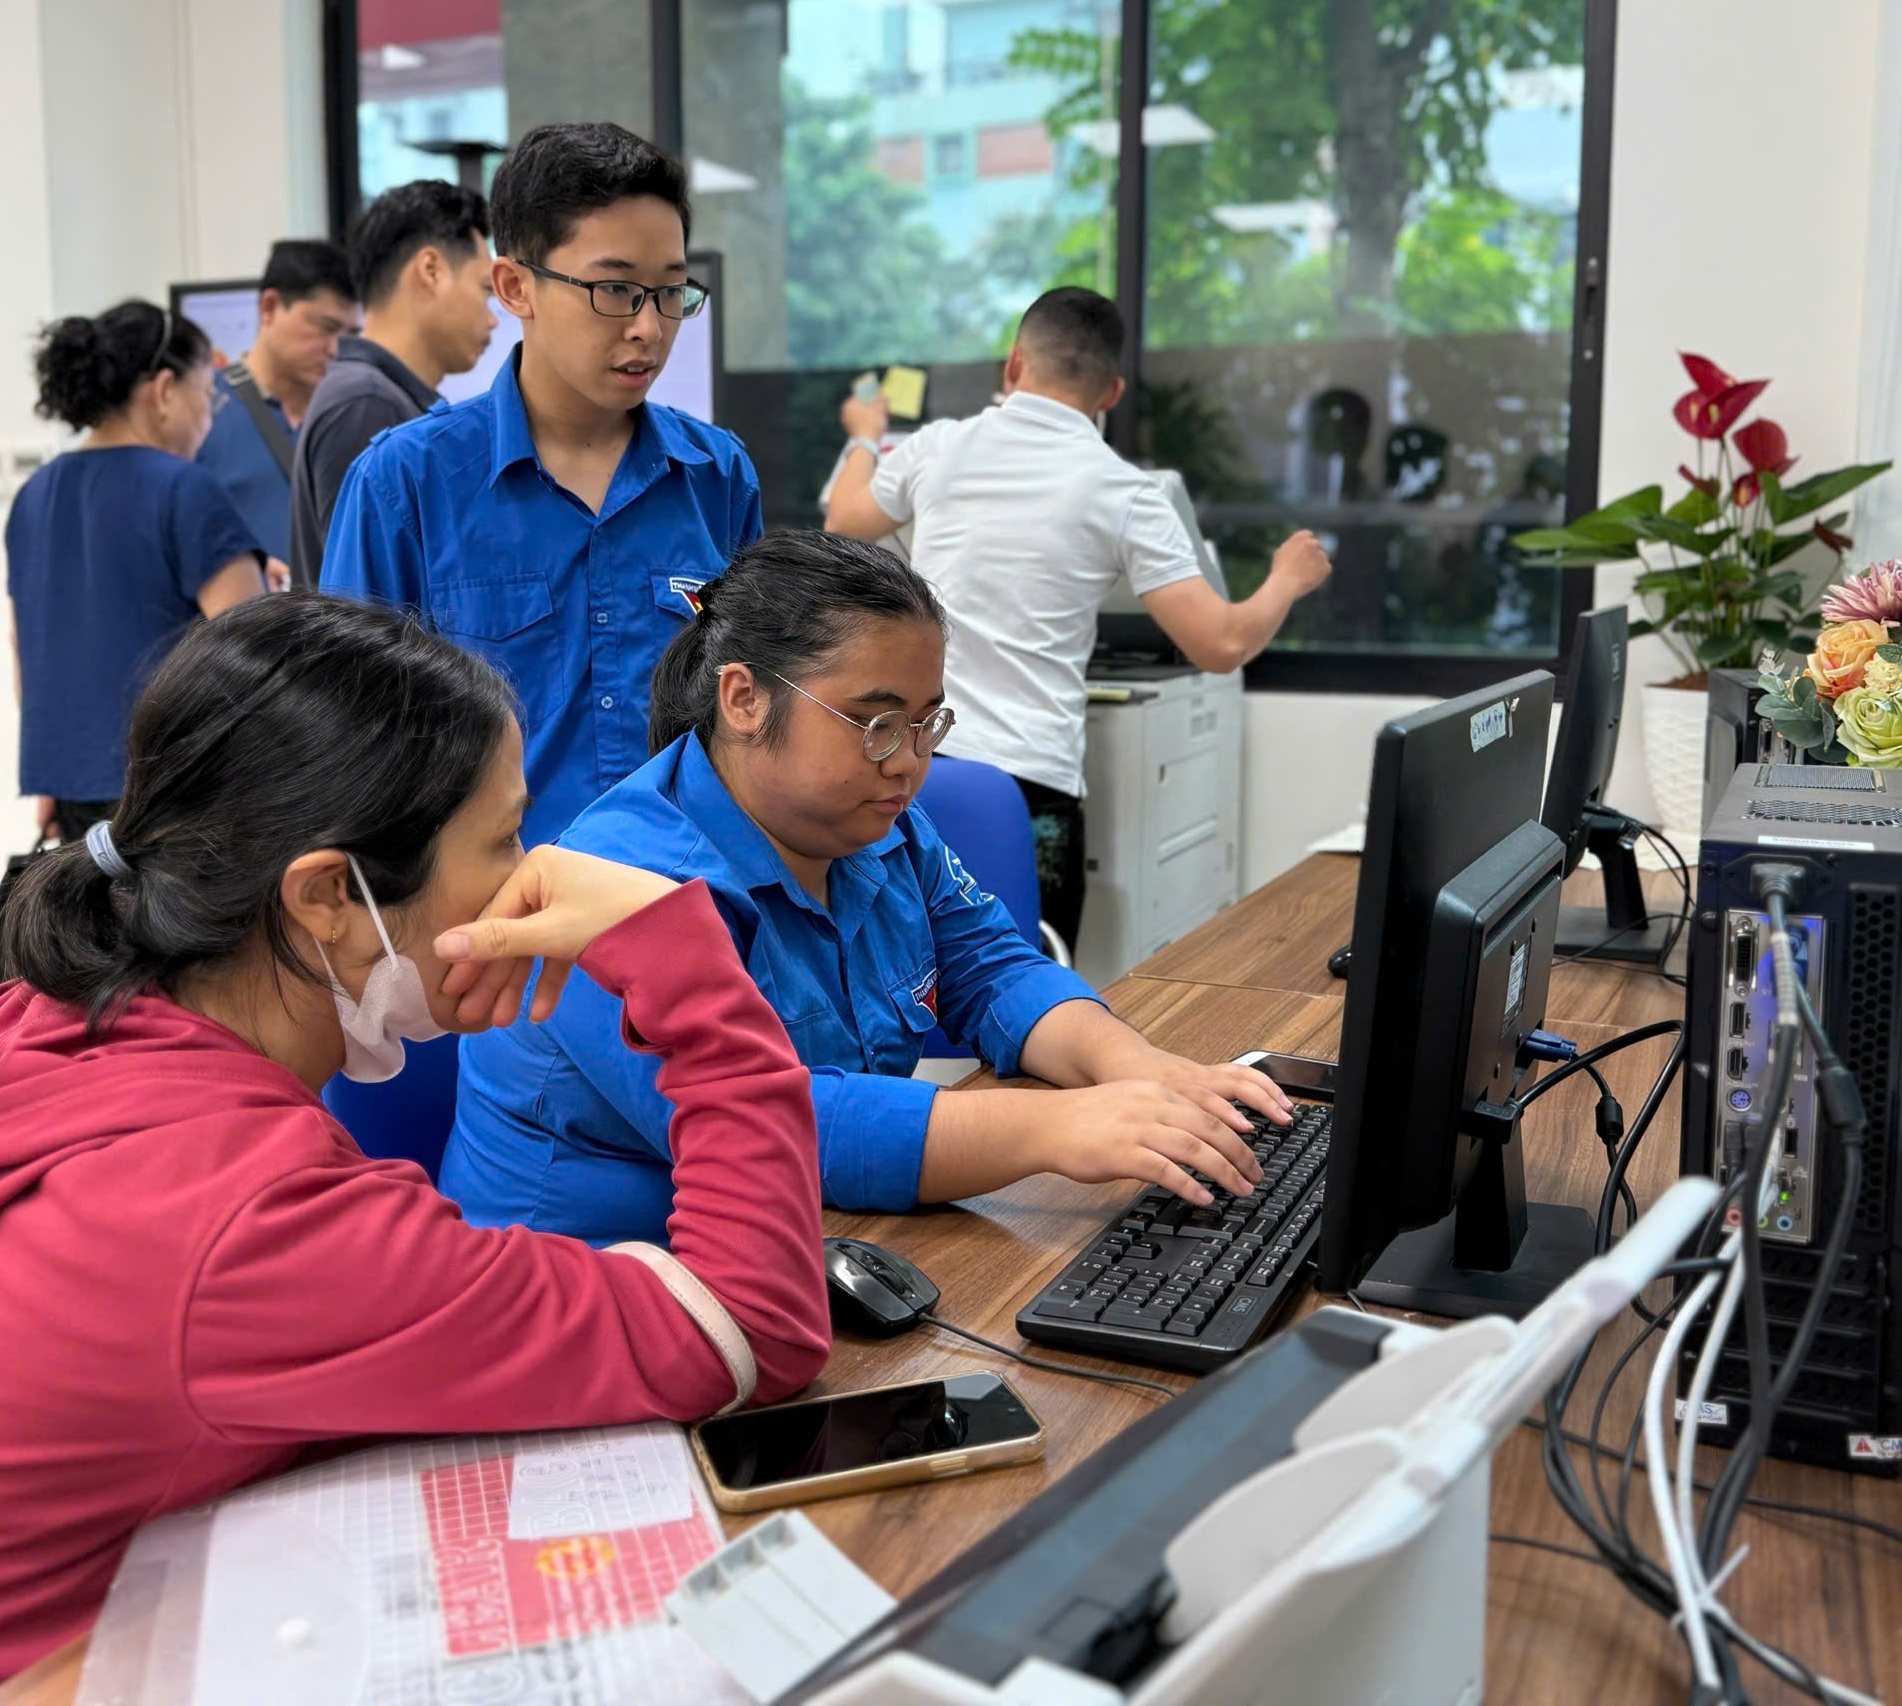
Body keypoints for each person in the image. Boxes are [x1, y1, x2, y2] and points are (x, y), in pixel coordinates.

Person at [0, 594, 831, 1706]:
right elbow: (752, 1327)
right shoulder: (238, 1213)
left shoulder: (60, 1024)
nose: (536, 874)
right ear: (329, 895)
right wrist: (685, 962)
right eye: (503, 839)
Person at [444, 529, 1294, 1248]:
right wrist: (1059, 1127)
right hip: (595, 1282)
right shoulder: (622, 884)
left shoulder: (874, 825)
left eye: (926, 722)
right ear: (744, 698)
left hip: (818, 1242)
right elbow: (778, 1128)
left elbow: (994, 970)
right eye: (877, 723)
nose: (910, 762)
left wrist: (1140, 1072)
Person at [825, 287, 1332, 947]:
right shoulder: (1124, 491)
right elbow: (1222, 643)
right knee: (1023, 982)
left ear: (1014, 364)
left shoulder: (939, 446)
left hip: (921, 774)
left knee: (906, 975)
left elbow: (845, 519)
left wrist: (864, 436)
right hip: (1031, 791)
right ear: (1112, 394)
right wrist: (1287, 578)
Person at [322, 122, 761, 848]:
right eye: (615, 289)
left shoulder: (717, 477)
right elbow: (350, 739)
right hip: (499, 905)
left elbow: (747, 717)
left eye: (670, 291)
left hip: (688, 890)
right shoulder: (406, 484)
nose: (649, 328)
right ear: (515, 286)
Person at [7, 301, 268, 842]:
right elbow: (255, 655)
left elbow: (26, 646)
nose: (209, 417)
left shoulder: (34, 494)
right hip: (174, 795)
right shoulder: (185, 489)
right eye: (208, 394)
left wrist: (56, 781)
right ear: (164, 389)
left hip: (72, 786)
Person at [286, 181, 495, 588]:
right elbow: (361, 603)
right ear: (431, 270)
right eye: (485, 290)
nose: (491, 319)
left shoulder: (371, 394)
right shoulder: (366, 404)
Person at [196, 238, 359, 572]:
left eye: (350, 335)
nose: (335, 349)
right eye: (326, 328)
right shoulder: (205, 411)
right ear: (269, 307)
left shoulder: (352, 417)